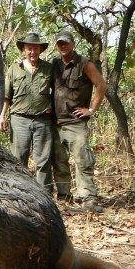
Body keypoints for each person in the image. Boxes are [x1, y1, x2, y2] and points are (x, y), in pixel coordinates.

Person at [51, 30, 108, 213]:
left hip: (75, 123)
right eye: (60, 43)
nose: (63, 46)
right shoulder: (53, 64)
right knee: (59, 161)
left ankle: (88, 199)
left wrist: (91, 109)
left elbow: (101, 84)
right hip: (55, 123)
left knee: (83, 161)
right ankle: (64, 197)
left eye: (66, 42)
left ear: (73, 43)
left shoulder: (85, 64)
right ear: (56, 45)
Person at [0, 32, 53, 192]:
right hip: (19, 120)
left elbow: (59, 92)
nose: (32, 52)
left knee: (43, 160)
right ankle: (19, 193)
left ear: (41, 49)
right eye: (29, 49)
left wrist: (54, 107)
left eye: (35, 48)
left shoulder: (49, 68)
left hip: (43, 120)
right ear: (24, 49)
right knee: (18, 159)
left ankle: (45, 195)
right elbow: (6, 95)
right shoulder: (14, 68)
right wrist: (1, 116)